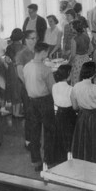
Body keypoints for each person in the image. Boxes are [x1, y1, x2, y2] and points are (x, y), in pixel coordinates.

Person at [22, 41, 57, 169]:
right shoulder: (45, 69)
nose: (47, 55)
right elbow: (53, 88)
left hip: (31, 101)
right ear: (43, 52)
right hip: (45, 101)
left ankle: (36, 160)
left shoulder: (26, 66)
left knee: (34, 131)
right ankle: (49, 159)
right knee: (49, 130)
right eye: (47, 52)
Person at [51, 64, 75, 167]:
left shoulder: (54, 86)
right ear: (68, 74)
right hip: (69, 115)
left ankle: (59, 158)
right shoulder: (71, 89)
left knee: (59, 136)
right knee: (70, 138)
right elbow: (75, 106)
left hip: (59, 114)